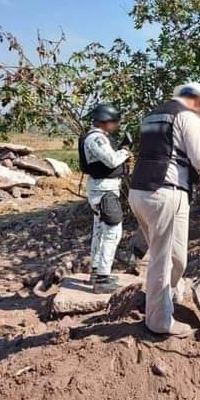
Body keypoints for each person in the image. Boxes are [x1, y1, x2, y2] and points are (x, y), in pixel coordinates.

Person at [129, 82, 200, 338]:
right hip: (164, 192)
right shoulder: (188, 118)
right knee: (162, 261)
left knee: (175, 258)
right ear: (196, 102)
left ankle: (168, 297)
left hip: (140, 191)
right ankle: (159, 321)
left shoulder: (153, 115)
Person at [79, 103, 132, 294]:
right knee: (113, 231)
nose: (116, 125)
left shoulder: (95, 137)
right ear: (105, 121)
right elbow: (111, 160)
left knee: (100, 229)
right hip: (104, 190)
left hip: (101, 189)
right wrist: (125, 151)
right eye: (115, 121)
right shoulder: (96, 138)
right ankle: (102, 277)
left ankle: (96, 271)